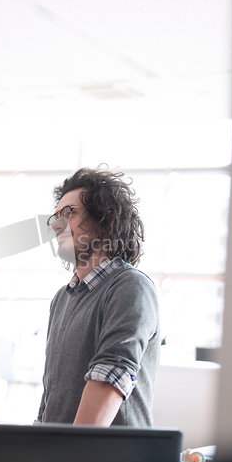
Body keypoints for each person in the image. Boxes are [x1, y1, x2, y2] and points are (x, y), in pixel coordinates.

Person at [36, 166, 160, 427]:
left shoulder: (130, 286)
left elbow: (110, 376)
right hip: (61, 460)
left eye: (68, 213)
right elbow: (50, 396)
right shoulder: (61, 299)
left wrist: (68, 457)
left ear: (107, 219)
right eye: (55, 217)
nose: (57, 224)